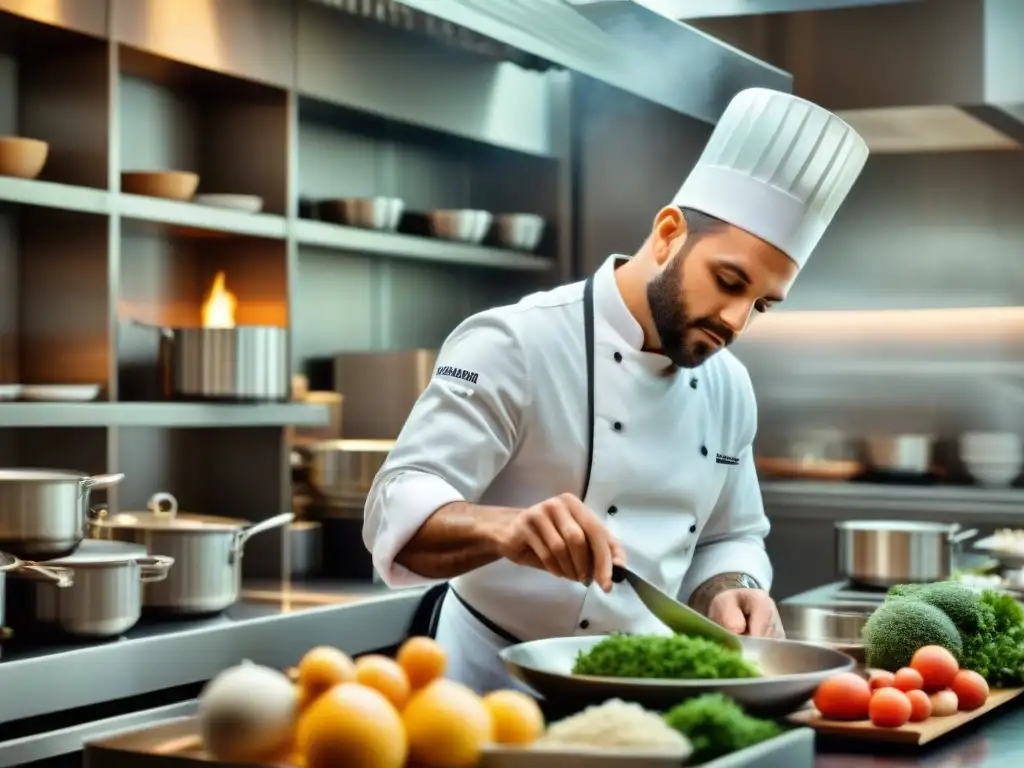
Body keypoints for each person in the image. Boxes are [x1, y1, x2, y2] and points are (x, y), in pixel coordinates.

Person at [363, 88, 869, 694]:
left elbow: (730, 535)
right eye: (728, 281)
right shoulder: (514, 342)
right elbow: (398, 502)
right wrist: (508, 529)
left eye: (761, 303)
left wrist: (734, 588)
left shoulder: (730, 385)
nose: (737, 320)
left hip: (644, 688)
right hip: (490, 688)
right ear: (667, 233)